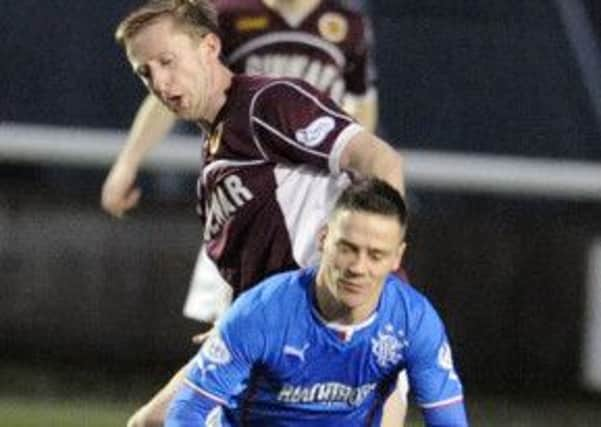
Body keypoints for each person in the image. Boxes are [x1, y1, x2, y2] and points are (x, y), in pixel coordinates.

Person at [112, 1, 406, 425]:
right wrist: (238, 323)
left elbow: (381, 161)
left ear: (210, 47)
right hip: (277, 335)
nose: (159, 81)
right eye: (145, 72)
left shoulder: (267, 102)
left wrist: (373, 283)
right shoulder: (217, 154)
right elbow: (260, 263)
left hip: (343, 334)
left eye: (167, 61)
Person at [165, 178, 469, 427]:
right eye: (347, 248)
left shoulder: (413, 321)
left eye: (376, 255)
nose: (358, 268)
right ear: (323, 238)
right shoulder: (262, 311)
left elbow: (448, 421)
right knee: (148, 420)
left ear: (397, 258)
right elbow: (187, 412)